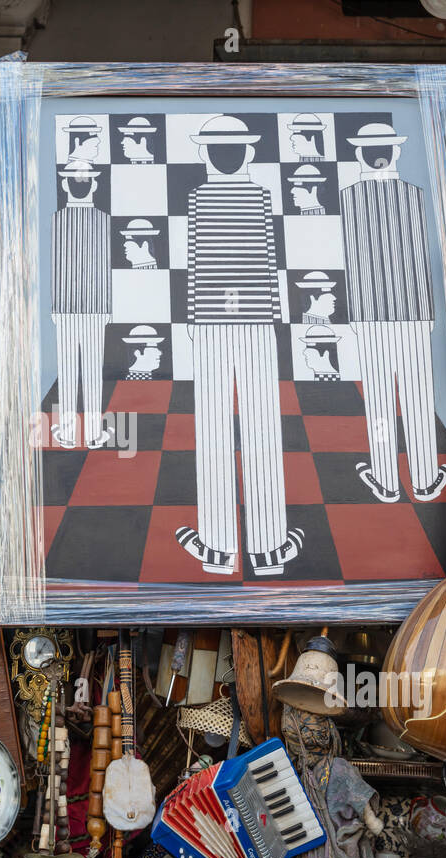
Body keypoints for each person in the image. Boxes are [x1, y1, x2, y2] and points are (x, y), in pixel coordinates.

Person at [174, 114, 304, 577]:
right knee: (262, 428)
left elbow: (195, 266)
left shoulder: (198, 199)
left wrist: (193, 318)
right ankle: (269, 548)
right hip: (254, 322)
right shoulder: (259, 196)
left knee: (212, 429)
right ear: (246, 153)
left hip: (212, 321)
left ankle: (217, 547)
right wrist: (271, 317)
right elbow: (269, 267)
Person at [339, 122, 446, 503]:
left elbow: (353, 263)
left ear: (360, 154)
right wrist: (431, 315)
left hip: (370, 314)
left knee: (380, 400)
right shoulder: (414, 195)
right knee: (418, 397)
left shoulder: (350, 197)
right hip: (414, 312)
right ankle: (424, 477)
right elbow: (421, 263)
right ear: (396, 151)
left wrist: (355, 316)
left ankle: (386, 476)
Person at [50, 160, 113, 449]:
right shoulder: (100, 220)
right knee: (87, 371)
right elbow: (103, 268)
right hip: (87, 308)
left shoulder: (59, 220)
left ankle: (71, 433)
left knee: (72, 370)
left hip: (70, 308)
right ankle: (88, 433)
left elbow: (59, 268)